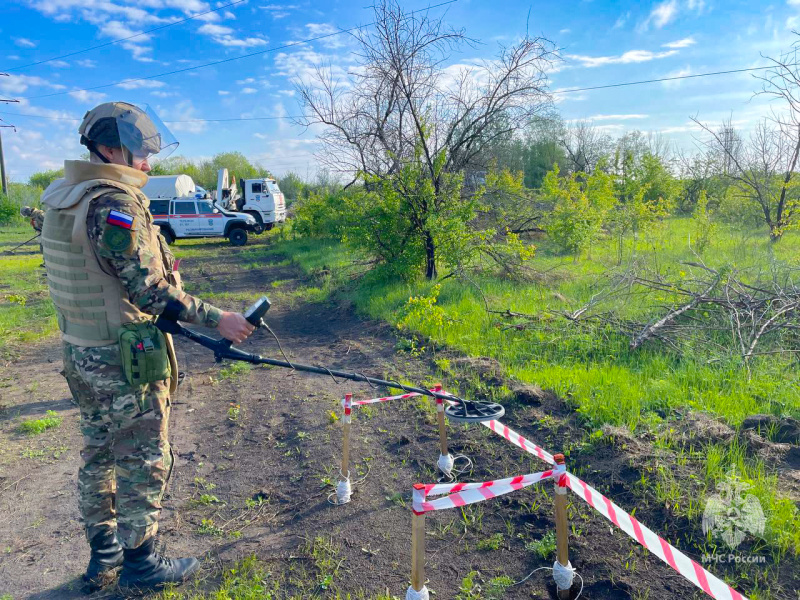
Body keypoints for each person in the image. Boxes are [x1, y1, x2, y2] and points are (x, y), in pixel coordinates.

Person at [39, 102, 255, 593]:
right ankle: (141, 566)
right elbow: (150, 292)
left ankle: (105, 557)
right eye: (139, 151)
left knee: (97, 453)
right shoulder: (112, 203)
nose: (147, 163)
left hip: (81, 350)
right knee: (141, 457)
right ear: (110, 147)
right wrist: (219, 319)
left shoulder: (63, 196)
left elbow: (100, 270)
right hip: (122, 358)